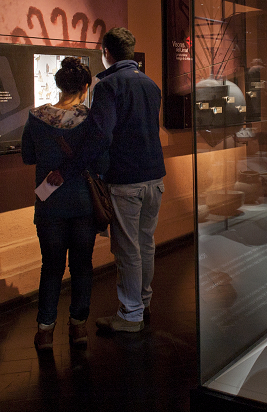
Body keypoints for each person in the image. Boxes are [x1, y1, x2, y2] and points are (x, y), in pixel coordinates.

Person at [49, 27, 166, 333]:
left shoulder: (108, 85)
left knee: (127, 250)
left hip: (126, 179)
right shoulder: (150, 84)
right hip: (155, 177)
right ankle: (143, 302)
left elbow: (101, 135)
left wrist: (70, 168)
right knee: (146, 244)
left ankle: (130, 315)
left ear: (106, 53)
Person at [21, 57, 101, 350]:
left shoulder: (36, 117)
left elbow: (28, 156)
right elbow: (102, 161)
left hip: (49, 205)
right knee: (82, 266)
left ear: (58, 85)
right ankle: (78, 326)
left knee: (51, 266)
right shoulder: (91, 120)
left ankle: (45, 330)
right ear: (85, 87)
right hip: (83, 204)